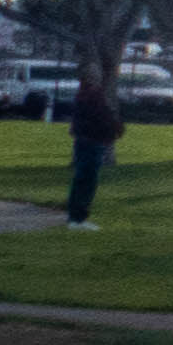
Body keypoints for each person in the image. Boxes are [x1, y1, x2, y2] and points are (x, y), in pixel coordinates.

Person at [61, 56, 121, 227]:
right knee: (86, 179)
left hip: (88, 139)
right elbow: (99, 117)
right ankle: (77, 217)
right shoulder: (91, 95)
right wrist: (111, 127)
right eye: (95, 73)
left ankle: (77, 216)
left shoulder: (86, 94)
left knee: (84, 178)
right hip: (91, 140)